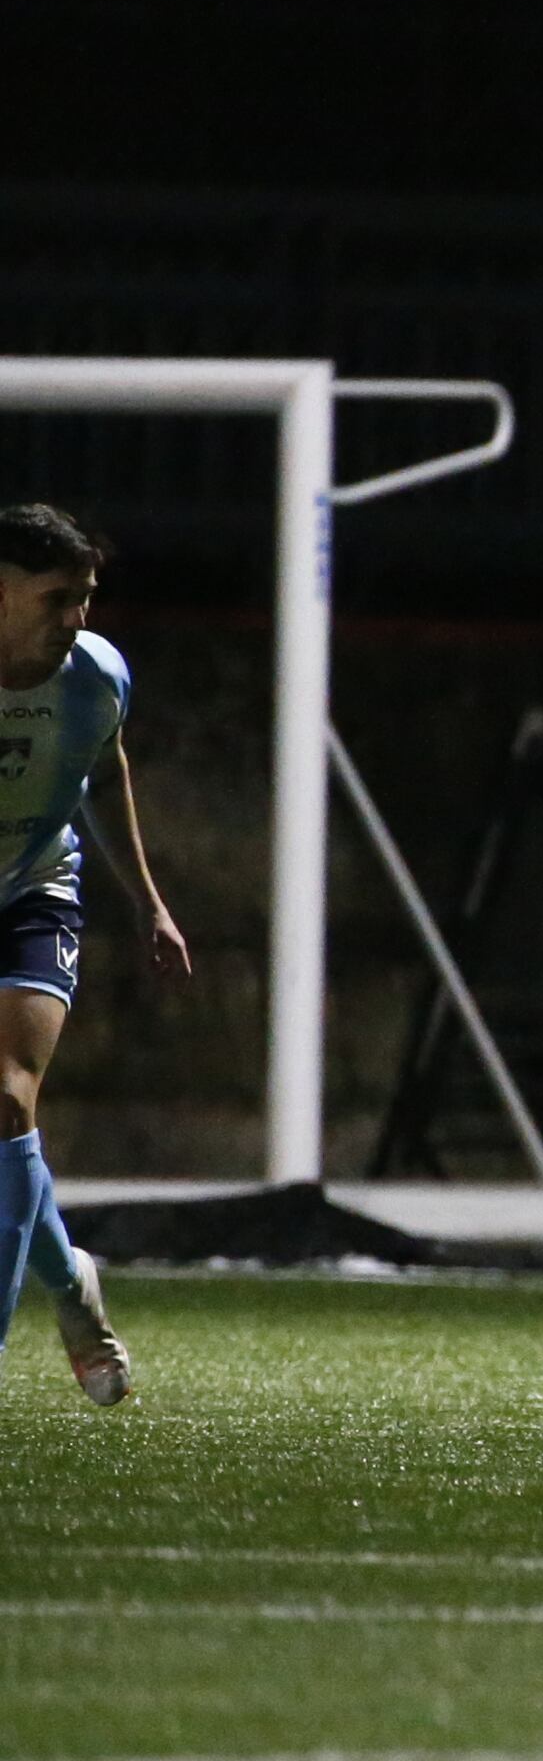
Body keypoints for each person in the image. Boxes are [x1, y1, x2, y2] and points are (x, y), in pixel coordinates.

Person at [0, 503, 184, 1405]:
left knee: (6, 1096)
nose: (75, 617)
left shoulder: (95, 677)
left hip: (34, 892)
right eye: (55, 597)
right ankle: (71, 1282)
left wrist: (149, 900)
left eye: (85, 597)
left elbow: (102, 776)